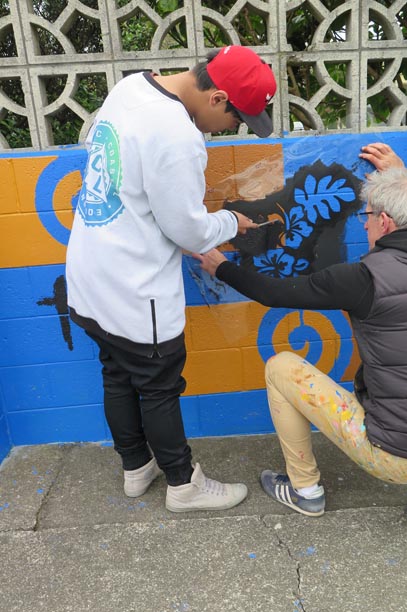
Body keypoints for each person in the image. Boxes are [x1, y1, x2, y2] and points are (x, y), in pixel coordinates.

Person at [195, 143, 407, 524]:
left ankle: (305, 491)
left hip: (393, 457)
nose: (364, 224)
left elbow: (274, 292)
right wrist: (401, 173)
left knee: (281, 367)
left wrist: (220, 267)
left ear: (387, 223)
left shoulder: (364, 278)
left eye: (368, 216)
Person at [66, 45, 277, 512]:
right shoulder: (179, 136)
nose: (233, 130)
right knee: (159, 384)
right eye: (238, 120)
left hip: (91, 271)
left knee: (117, 372)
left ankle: (136, 468)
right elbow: (185, 230)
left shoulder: (130, 87)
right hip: (136, 286)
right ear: (218, 97)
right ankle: (183, 484)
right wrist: (229, 221)